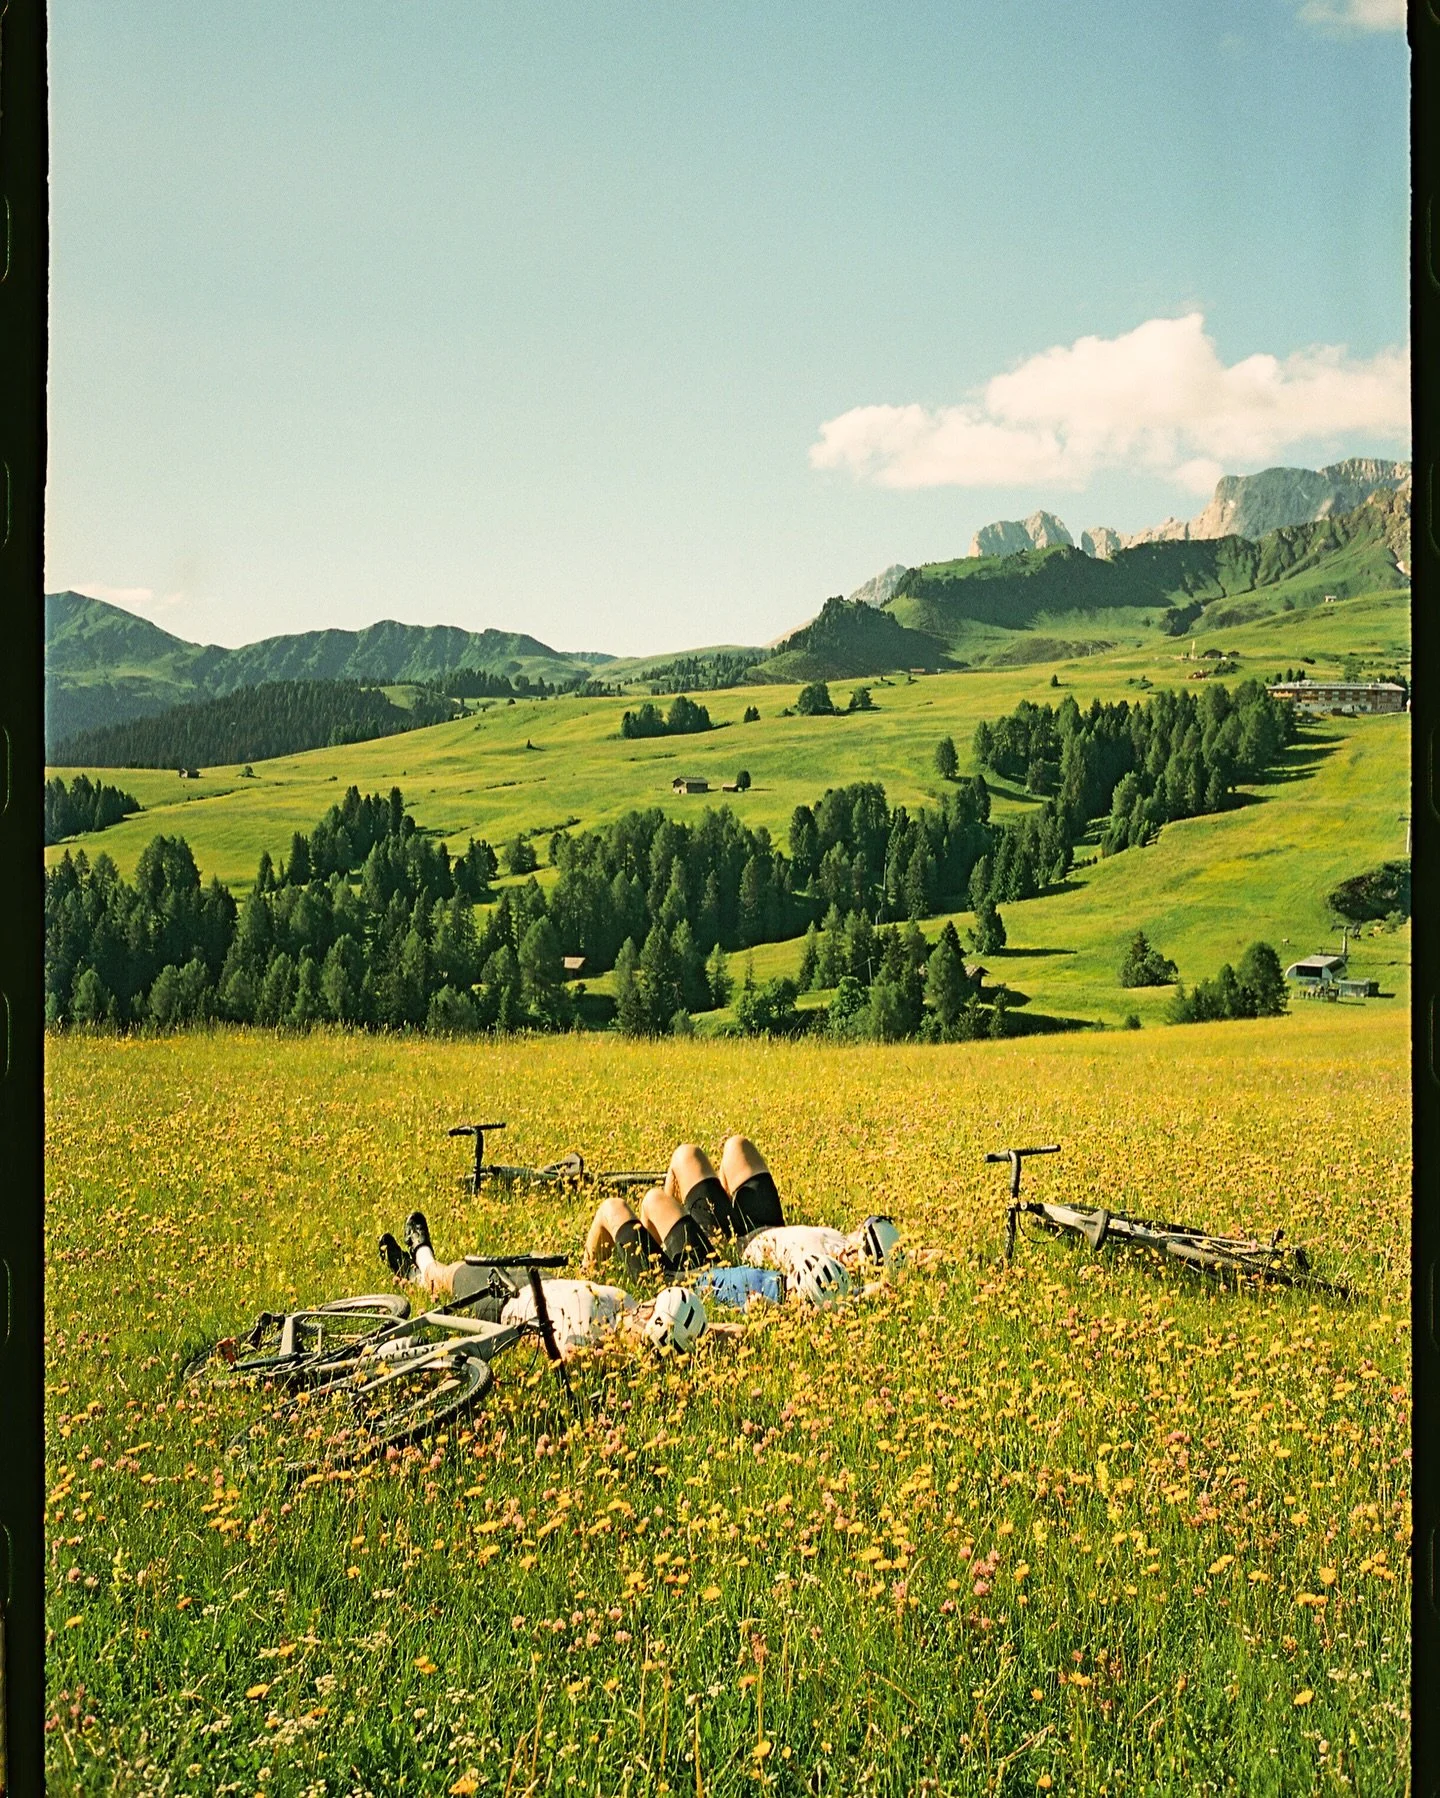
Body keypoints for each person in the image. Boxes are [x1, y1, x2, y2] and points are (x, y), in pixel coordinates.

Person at [580, 1134, 903, 1298]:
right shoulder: (843, 1242)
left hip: (734, 1246)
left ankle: (589, 1276)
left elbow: (823, 1299)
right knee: (736, 1145)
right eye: (869, 1226)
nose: (865, 1229)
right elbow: (907, 1254)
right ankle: (667, 1233)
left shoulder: (824, 1273)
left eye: (869, 1233)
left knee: (663, 1184)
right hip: (765, 1224)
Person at [378, 1211, 708, 1356]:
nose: (647, 1305)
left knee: (446, 1276)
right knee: (463, 1266)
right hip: (540, 1281)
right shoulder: (633, 1311)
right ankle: (419, 1270)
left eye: (652, 1309)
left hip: (505, 1304)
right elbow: (717, 1333)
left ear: (656, 1321)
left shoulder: (603, 1348)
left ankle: (418, 1264)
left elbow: (568, 1354)